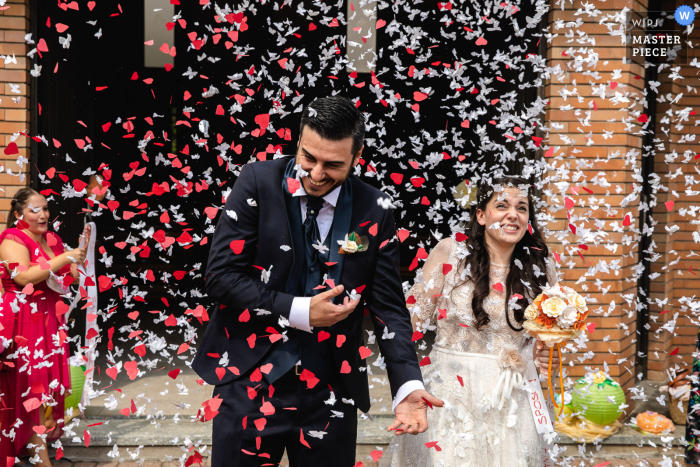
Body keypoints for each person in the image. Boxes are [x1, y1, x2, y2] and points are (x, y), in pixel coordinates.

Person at [193, 96, 442, 467]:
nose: (316, 172)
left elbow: (389, 306)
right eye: (308, 157)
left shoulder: (375, 207)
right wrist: (300, 310)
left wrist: (406, 385)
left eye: (334, 164)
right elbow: (221, 277)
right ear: (297, 143)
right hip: (247, 380)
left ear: (357, 157)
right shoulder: (257, 181)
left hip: (332, 391)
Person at [380, 178, 561, 467]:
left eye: (522, 208)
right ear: (481, 215)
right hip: (452, 394)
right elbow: (408, 324)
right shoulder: (451, 252)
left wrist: (544, 354)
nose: (512, 214)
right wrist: (406, 383)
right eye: (501, 206)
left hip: (514, 398)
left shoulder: (541, 267)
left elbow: (546, 337)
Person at [0, 187, 90, 466]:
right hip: (24, 319)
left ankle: (31, 446)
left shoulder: (53, 238)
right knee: (32, 387)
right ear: (18, 214)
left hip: (51, 317)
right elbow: (22, 276)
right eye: (34, 210)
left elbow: (70, 278)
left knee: (47, 387)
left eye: (45, 209)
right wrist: (64, 257)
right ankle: (41, 461)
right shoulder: (12, 238)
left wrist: (79, 255)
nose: (43, 215)